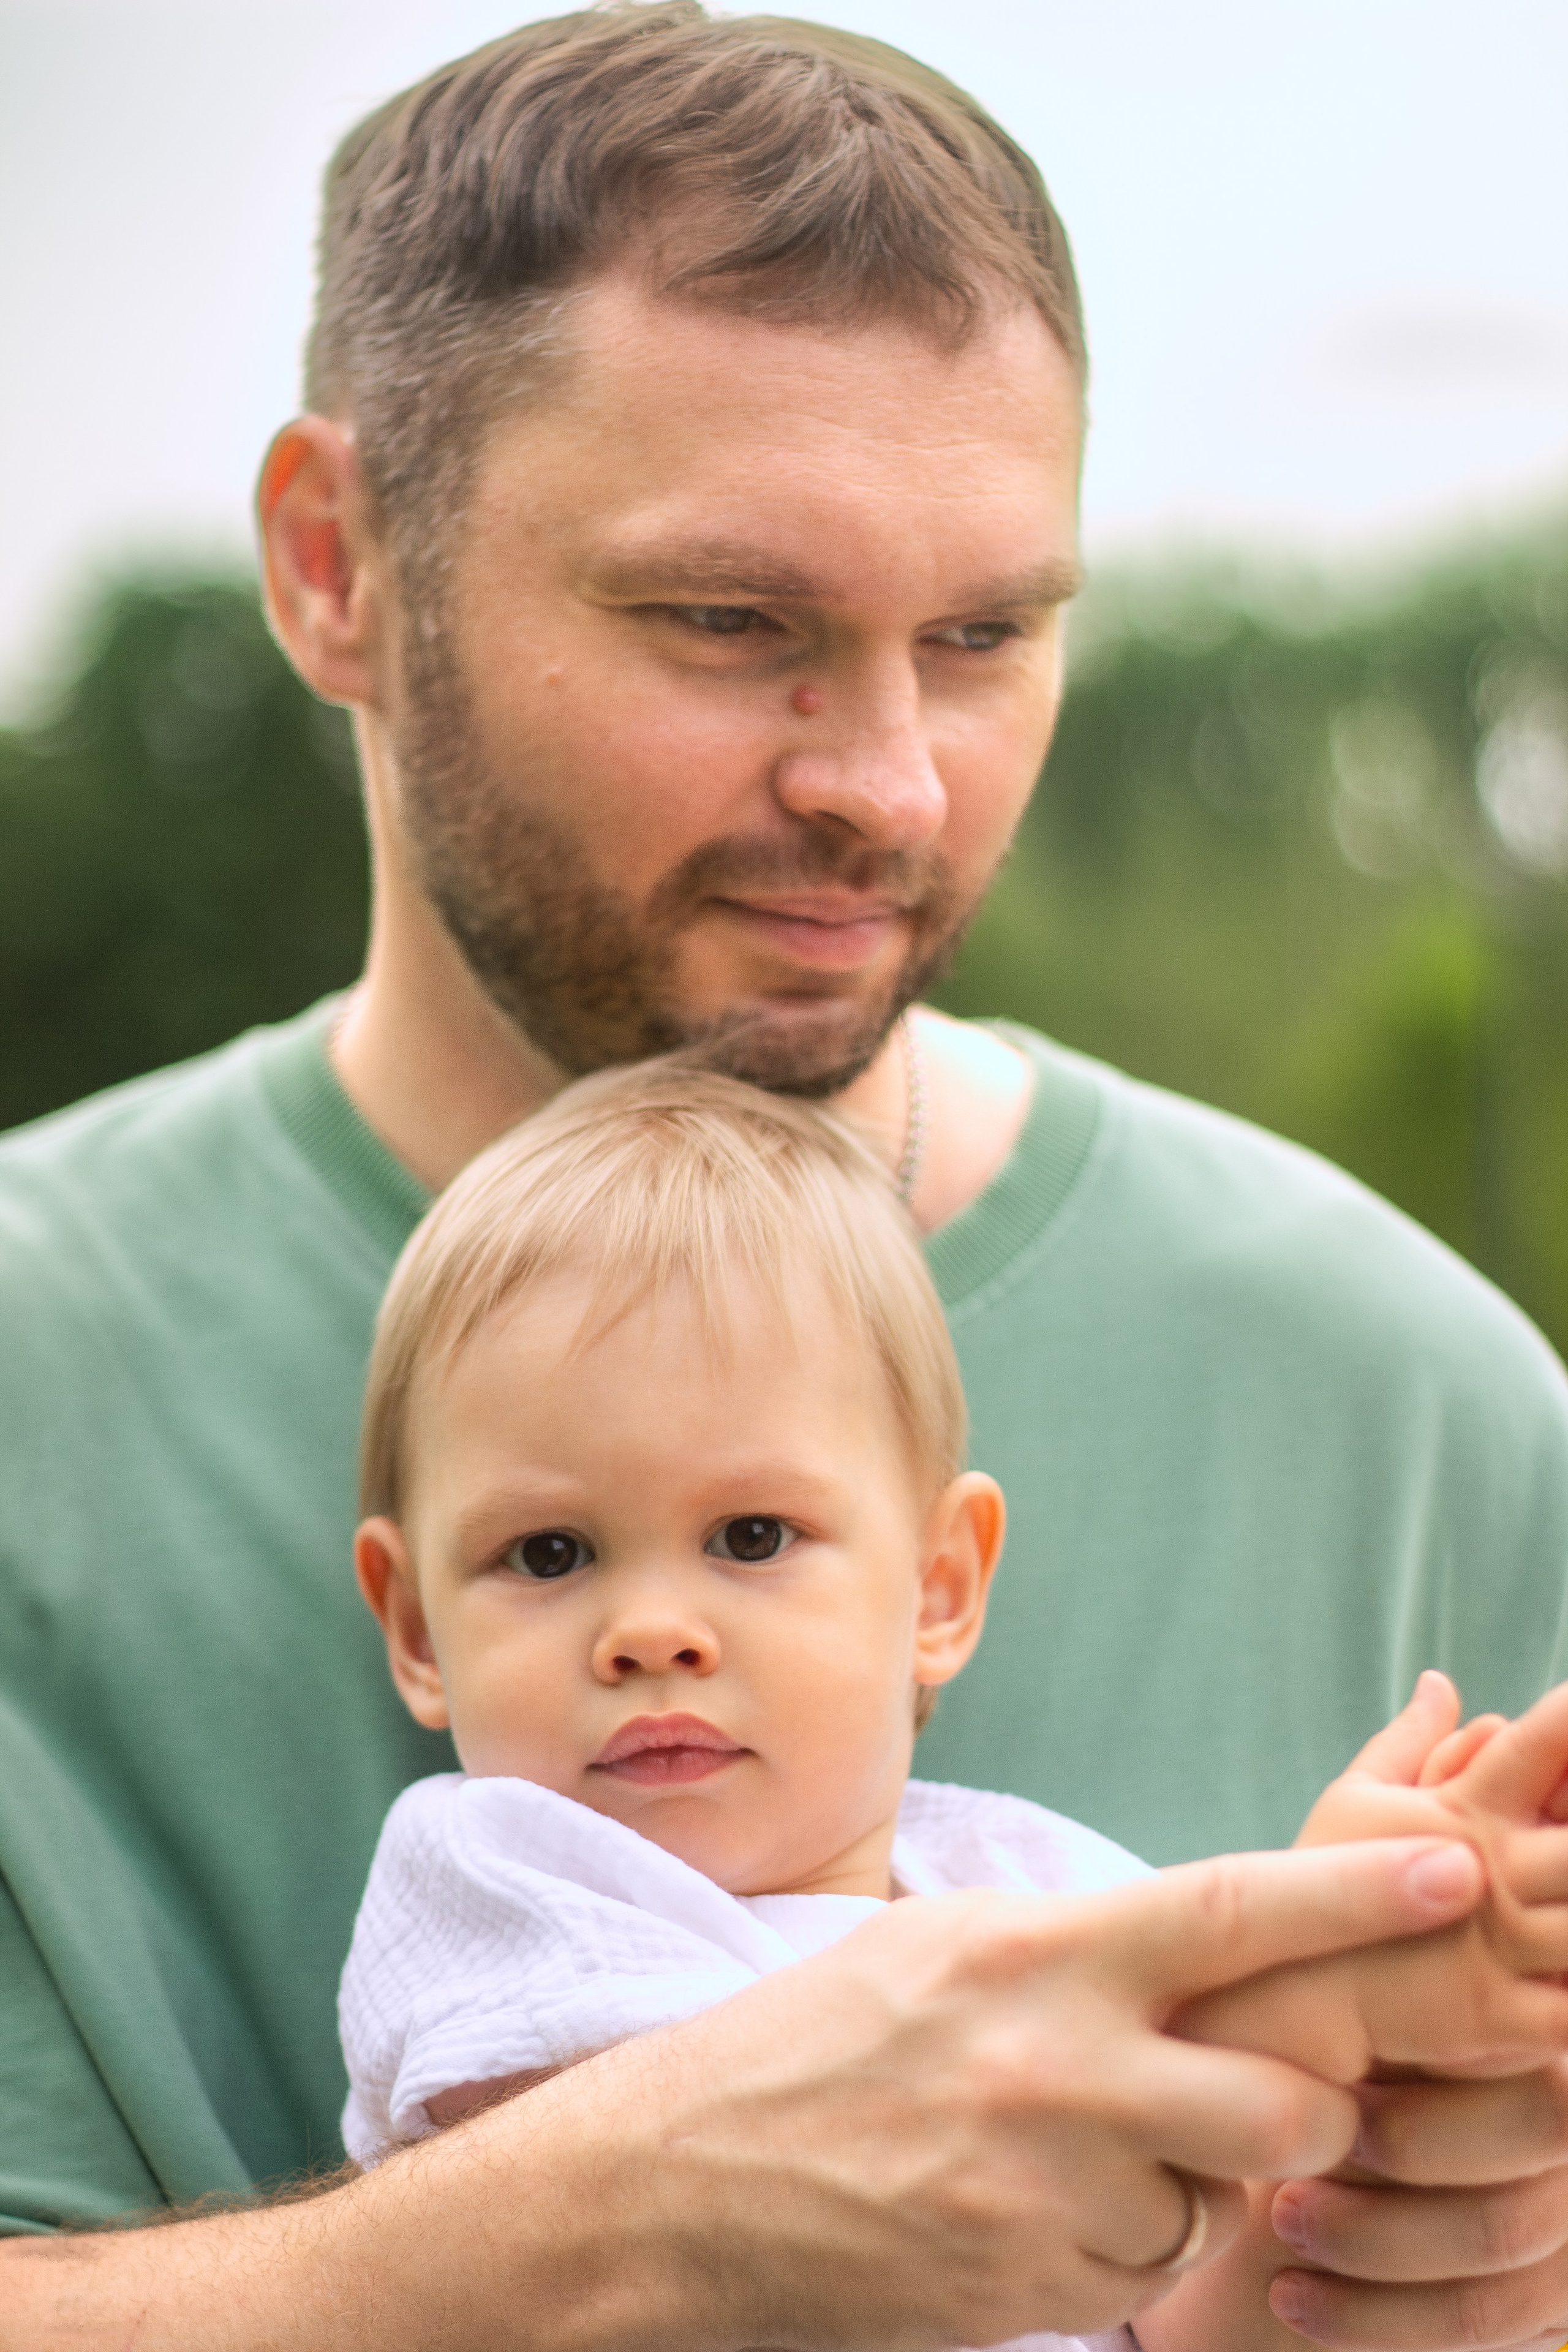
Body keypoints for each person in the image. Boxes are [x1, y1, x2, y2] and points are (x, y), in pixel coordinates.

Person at [3, 5, 1568, 2345]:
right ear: (337, 565)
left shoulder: (1425, 1404)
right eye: (731, 623)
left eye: (985, 634)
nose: (898, 787)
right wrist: (595, 2230)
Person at [334, 1058, 1568, 2352]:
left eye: (751, 1535)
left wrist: (1364, 2079)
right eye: (547, 1555)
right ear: (416, 1626)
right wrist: (1290, 1998)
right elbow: (674, 2220)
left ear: (935, 1590)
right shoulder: (498, 1877)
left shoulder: (1034, 1884)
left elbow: (1188, 2315)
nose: (652, 1633)